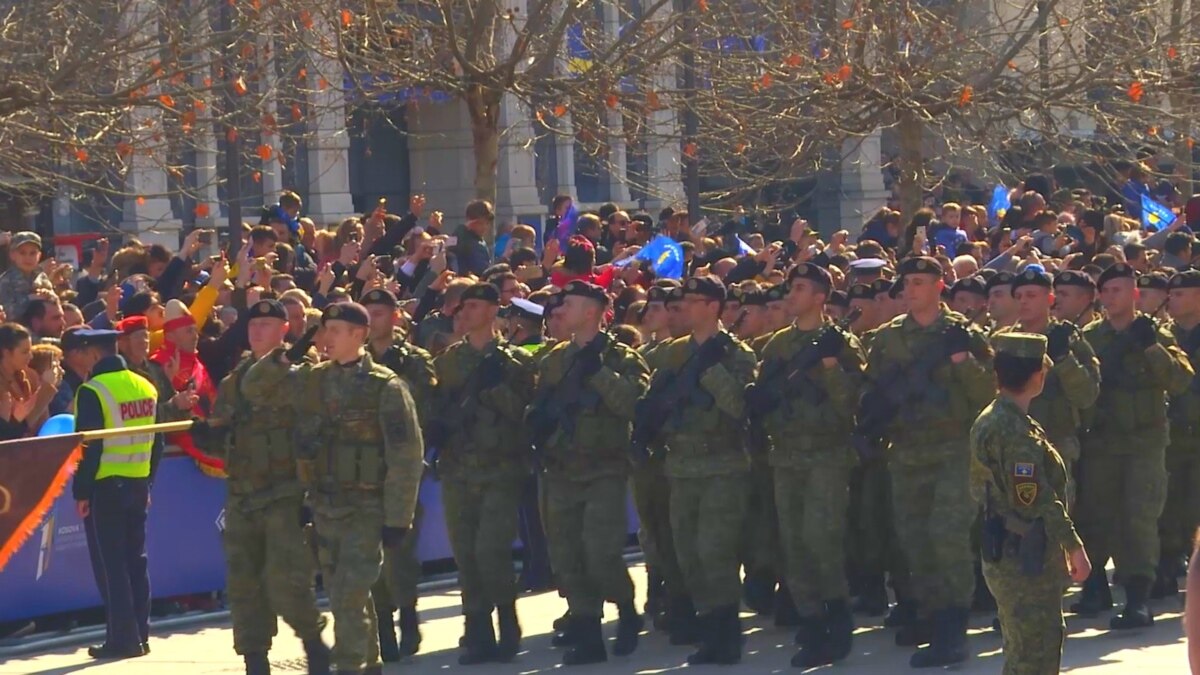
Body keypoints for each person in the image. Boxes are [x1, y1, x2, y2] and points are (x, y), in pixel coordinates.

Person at [242, 302, 424, 675]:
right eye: (324, 330)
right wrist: (287, 354)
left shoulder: (386, 387)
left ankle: (348, 667)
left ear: (360, 335)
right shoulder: (314, 380)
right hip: (325, 509)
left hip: (367, 508)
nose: (327, 338)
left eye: (336, 331)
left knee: (349, 597)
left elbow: (406, 456)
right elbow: (255, 388)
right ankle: (368, 664)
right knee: (349, 596)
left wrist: (398, 517)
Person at [860, 256, 994, 667]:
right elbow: (873, 392)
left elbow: (989, 392)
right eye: (908, 282)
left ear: (939, 286)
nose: (912, 289)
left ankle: (953, 627)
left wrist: (962, 361)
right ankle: (932, 616)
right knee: (915, 540)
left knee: (947, 536)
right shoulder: (887, 339)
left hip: (955, 449)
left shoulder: (964, 333)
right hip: (905, 451)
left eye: (921, 282)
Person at [199, 300, 331, 675]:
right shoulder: (234, 380)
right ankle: (255, 658)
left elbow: (317, 432)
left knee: (287, 579)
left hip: (285, 493)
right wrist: (207, 434)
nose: (257, 331)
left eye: (267, 324)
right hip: (243, 496)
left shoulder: (301, 376)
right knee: (243, 582)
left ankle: (312, 642)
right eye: (253, 324)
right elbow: (223, 432)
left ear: (284, 330)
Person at [750, 263, 865, 667]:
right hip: (786, 455)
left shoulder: (841, 344)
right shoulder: (778, 345)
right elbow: (761, 398)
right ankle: (812, 625)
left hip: (827, 455)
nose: (791, 295)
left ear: (820, 298)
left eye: (800, 289)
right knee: (794, 545)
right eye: (790, 288)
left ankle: (837, 620)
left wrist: (831, 366)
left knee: (822, 541)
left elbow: (853, 403)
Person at [640, 275, 757, 665]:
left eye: (693, 301)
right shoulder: (671, 354)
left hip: (722, 464)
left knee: (715, 552)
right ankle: (708, 628)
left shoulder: (735, 354)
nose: (684, 307)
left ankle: (726, 633)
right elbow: (652, 406)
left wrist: (710, 370)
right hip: (680, 466)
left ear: (713, 307)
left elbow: (741, 407)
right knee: (688, 553)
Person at [530, 281, 648, 665]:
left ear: (593, 312)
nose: (561, 309)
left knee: (600, 553)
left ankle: (627, 608)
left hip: (604, 470)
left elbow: (634, 405)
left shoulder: (621, 358)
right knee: (566, 556)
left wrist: (599, 374)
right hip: (561, 470)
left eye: (571, 303)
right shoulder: (553, 361)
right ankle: (587, 631)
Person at [1074, 262, 1194, 626]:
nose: (1110, 298)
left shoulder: (1155, 332)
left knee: (1139, 518)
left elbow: (1180, 380)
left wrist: (1152, 347)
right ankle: (1094, 585)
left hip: (1145, 440)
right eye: (1105, 291)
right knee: (1096, 515)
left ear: (1135, 295)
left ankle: (1137, 596)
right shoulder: (1092, 337)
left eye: (1118, 291)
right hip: (1102, 440)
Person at [970, 332, 1092, 675]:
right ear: (1038, 375)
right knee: (1035, 653)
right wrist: (1073, 545)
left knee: (1023, 650)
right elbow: (1035, 498)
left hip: (1008, 549)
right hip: (1024, 556)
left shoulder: (997, 418)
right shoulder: (1014, 431)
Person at [428, 282, 535, 664]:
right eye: (462, 307)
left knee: (492, 551)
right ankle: (477, 629)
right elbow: (434, 410)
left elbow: (527, 416)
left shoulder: (515, 362)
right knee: (466, 556)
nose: (464, 313)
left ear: (493, 311)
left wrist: (495, 391)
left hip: (500, 469)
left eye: (473, 306)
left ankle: (507, 619)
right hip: (457, 469)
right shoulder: (446, 362)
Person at [69, 328, 162, 660]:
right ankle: (141, 633)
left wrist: (82, 491)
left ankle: (122, 639)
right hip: (138, 483)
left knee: (112, 566)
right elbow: (158, 440)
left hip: (107, 486)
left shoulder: (92, 391)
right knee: (137, 561)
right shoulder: (145, 385)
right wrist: (148, 482)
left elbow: (89, 449)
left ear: (94, 354)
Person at [361, 288, 435, 660]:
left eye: (380, 312)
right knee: (369, 552)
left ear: (394, 317)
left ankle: (407, 615)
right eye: (367, 312)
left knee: (400, 550)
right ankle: (384, 624)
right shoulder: (350, 364)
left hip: (401, 469)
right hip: (362, 471)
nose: (373, 319)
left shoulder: (415, 361)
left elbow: (421, 409)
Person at [1000, 268, 1100, 479]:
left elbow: (1086, 396)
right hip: (1009, 444)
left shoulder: (1069, 338)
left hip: (1056, 444)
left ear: (1050, 299)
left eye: (1031, 295)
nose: (1023, 301)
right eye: (1018, 296)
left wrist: (1063, 359)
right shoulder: (1002, 341)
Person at [1157, 270, 1200, 598]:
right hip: (1171, 433)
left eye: (1181, 293)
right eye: (1171, 293)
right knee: (1167, 503)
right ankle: (1167, 564)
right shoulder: (1161, 336)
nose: (1172, 298)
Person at [0, 232, 53, 318]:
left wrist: (50, 295)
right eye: (22, 253)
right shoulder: (5, 281)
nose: (28, 258)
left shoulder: (42, 277)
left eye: (33, 253)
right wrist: (29, 299)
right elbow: (6, 314)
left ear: (39, 255)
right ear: (12, 255)